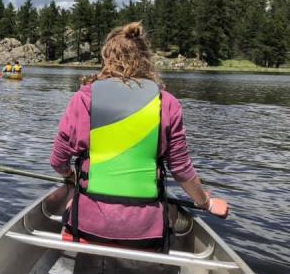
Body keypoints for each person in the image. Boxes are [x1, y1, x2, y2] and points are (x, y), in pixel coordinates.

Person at [50, 22, 228, 251]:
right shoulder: (167, 103)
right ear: (145, 58)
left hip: (86, 226)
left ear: (107, 57)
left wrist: (71, 176)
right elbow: (182, 171)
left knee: (73, 200)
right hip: (145, 232)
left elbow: (57, 161)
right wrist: (205, 202)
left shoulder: (83, 99)